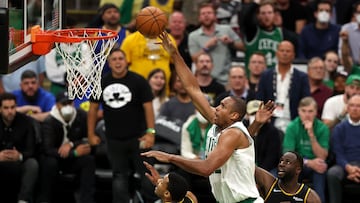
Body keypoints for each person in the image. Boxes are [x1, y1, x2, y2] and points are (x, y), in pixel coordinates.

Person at [142, 32, 275, 203]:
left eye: (222, 107)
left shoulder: (232, 134)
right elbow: (192, 88)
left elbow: (206, 168)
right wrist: (175, 55)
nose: (216, 109)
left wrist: (169, 157)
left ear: (234, 115)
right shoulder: (220, 123)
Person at [87, 48, 155, 203]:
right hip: (114, 140)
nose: (117, 62)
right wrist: (90, 134)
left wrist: (151, 132)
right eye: (114, 59)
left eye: (120, 59)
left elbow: (148, 108)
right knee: (119, 176)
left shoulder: (139, 81)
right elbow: (92, 110)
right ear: (109, 63)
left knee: (148, 175)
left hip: (139, 138)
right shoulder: (102, 82)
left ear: (126, 62)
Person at [37, 91, 96, 203]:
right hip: (55, 158)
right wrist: (73, 153)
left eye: (70, 103)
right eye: (64, 104)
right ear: (57, 105)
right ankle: (45, 199)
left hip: (72, 158)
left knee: (88, 160)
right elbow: (47, 149)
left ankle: (86, 200)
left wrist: (71, 145)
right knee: (50, 162)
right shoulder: (49, 121)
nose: (67, 107)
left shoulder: (81, 115)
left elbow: (88, 138)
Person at [282, 97, 330, 203]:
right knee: (290, 170)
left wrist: (311, 134)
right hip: (298, 164)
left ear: (316, 112)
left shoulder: (322, 128)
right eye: (303, 111)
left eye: (310, 111)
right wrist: (308, 162)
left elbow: (322, 156)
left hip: (316, 165)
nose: (307, 115)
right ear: (298, 111)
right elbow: (288, 156)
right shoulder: (292, 127)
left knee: (321, 167)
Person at [256, 40, 310, 133]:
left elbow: (305, 101)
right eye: (282, 50)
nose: (285, 53)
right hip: (269, 122)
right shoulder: (266, 75)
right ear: (277, 53)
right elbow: (260, 98)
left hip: (294, 122)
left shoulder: (302, 77)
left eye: (288, 51)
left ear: (293, 55)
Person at [188, 2, 244, 85]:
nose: (206, 15)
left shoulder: (226, 30)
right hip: (204, 82)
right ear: (199, 17)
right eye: (203, 14)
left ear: (215, 16)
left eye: (209, 13)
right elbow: (194, 59)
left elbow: (243, 47)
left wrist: (231, 42)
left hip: (225, 81)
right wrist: (207, 46)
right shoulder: (193, 36)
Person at [0, 93, 38, 203]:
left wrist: (20, 156)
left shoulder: (26, 122)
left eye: (13, 107)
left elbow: (31, 150)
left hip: (19, 161)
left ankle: (23, 200)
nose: (10, 111)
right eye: (6, 108)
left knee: (32, 164)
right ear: (0, 109)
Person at [327, 94, 360, 203]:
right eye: (352, 105)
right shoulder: (339, 128)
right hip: (344, 164)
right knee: (332, 174)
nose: (355, 109)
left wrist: (357, 170)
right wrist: (348, 168)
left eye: (358, 106)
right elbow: (338, 153)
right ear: (347, 108)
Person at [255, 151, 321, 203]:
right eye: (281, 161)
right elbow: (250, 166)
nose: (281, 164)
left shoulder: (309, 196)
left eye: (288, 162)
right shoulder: (270, 184)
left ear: (298, 170)